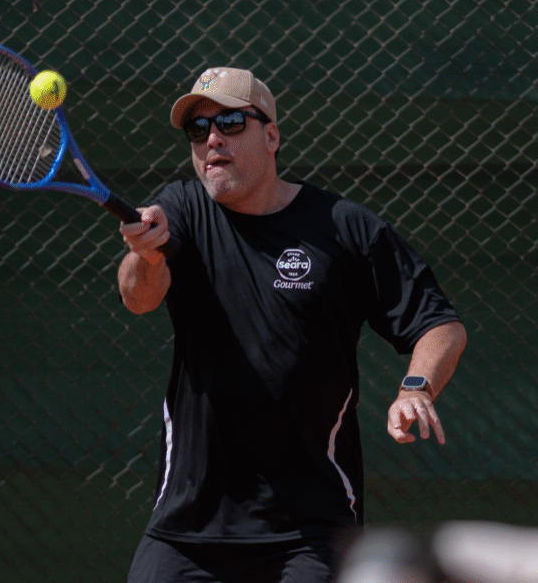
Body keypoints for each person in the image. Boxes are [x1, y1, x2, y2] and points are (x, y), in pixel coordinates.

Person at [117, 66, 467, 583]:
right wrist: (144, 256)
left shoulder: (345, 228)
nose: (212, 139)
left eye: (231, 122)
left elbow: (439, 325)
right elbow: (139, 299)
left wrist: (416, 387)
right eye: (198, 130)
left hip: (310, 530)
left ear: (272, 136)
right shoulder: (181, 209)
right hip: (187, 528)